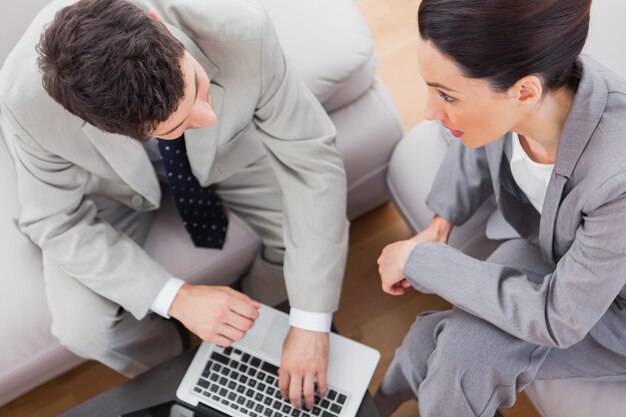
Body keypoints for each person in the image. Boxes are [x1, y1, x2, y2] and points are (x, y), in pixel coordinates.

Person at [0, 0, 349, 408]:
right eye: (178, 125)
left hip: (231, 156)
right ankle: (177, 358)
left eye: (198, 86)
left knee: (301, 235)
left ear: (157, 24)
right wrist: (177, 299)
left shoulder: (242, 29)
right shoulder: (24, 102)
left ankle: (263, 331)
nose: (207, 116)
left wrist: (308, 323)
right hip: (112, 189)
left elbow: (312, 159)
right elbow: (54, 222)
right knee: (83, 329)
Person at [373, 0, 626, 416]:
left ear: (524, 93)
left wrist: (422, 259)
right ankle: (376, 406)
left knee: (459, 360)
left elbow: (560, 317)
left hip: (607, 307)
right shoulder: (527, 86)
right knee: (438, 345)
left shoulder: (615, 177)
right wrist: (439, 226)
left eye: (447, 95)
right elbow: (478, 141)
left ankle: (379, 405)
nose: (429, 112)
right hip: (554, 255)